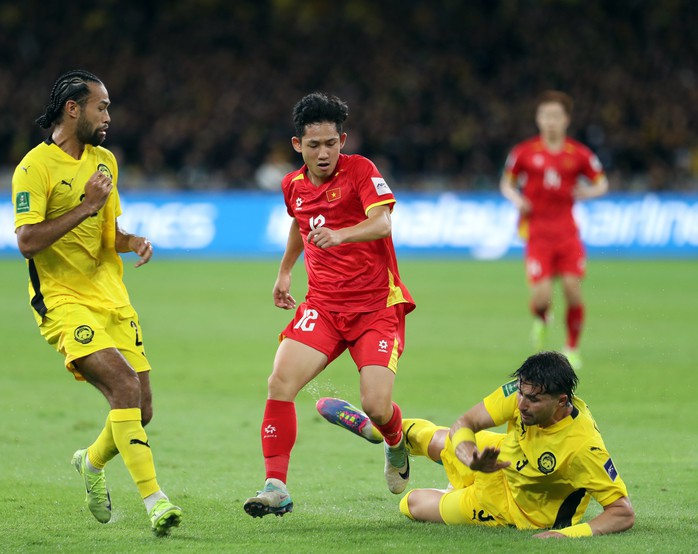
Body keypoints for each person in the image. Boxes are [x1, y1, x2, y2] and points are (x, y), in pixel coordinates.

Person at [11, 70, 182, 536]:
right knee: (124, 388)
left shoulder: (104, 161)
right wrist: (84, 206)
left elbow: (109, 232)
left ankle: (90, 461)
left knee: (141, 410)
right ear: (73, 109)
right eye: (101, 107)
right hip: (62, 300)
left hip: (111, 296)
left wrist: (132, 240)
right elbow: (26, 242)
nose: (108, 117)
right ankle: (155, 501)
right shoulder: (33, 168)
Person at [243, 92, 416, 518]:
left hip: (375, 307)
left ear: (343, 140)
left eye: (331, 143)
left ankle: (395, 442)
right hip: (322, 306)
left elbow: (382, 222)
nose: (324, 153)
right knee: (279, 382)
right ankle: (276, 486)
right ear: (297, 145)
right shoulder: (293, 185)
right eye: (314, 145)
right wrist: (285, 271)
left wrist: (341, 235)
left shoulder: (361, 170)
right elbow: (300, 225)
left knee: (377, 406)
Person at [317, 351, 635, 538]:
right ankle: (383, 433)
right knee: (438, 438)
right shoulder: (522, 392)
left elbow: (622, 513)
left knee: (411, 504)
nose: (521, 404)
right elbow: (466, 422)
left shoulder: (583, 447)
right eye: (521, 393)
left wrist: (565, 535)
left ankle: (451, 489)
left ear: (561, 401)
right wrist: (469, 456)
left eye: (533, 400)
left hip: (512, 508)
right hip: (498, 456)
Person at [499, 91, 609, 369]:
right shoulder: (524, 153)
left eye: (556, 116)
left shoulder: (579, 154)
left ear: (566, 120)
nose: (550, 121)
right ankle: (541, 317)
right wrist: (517, 199)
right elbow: (506, 183)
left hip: (567, 234)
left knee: (573, 289)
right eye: (546, 115)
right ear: (538, 119)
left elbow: (602, 183)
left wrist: (588, 192)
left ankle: (572, 348)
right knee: (541, 297)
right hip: (537, 234)